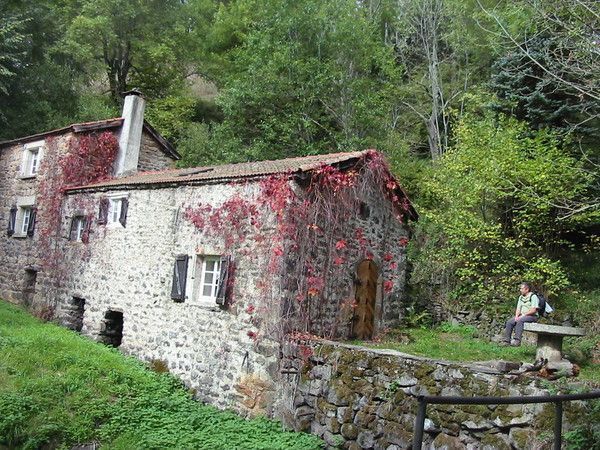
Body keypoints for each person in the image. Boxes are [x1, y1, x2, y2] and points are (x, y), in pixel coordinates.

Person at [502, 282, 539, 346]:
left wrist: (524, 315)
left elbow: (534, 310)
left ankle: (517, 341)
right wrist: (516, 316)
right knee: (509, 322)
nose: (520, 290)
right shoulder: (521, 297)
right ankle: (506, 341)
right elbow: (518, 308)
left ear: (527, 289)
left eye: (522, 289)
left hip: (532, 316)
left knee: (520, 320)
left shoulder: (533, 297)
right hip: (522, 315)